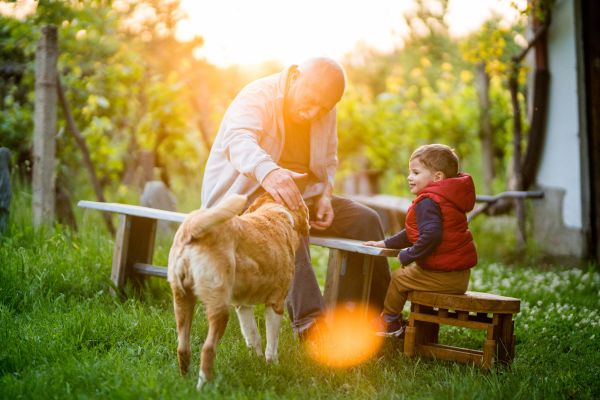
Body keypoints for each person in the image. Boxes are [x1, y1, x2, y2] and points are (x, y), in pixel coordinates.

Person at [201, 57, 391, 338]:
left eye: (323, 108)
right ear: (296, 77)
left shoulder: (325, 109)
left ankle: (381, 319)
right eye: (311, 100)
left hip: (303, 198)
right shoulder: (258, 96)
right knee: (287, 216)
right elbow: (237, 140)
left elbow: (329, 158)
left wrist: (326, 194)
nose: (314, 112)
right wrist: (270, 173)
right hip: (243, 202)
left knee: (366, 220)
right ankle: (310, 325)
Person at [364, 144, 477, 337]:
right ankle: (414, 325)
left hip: (444, 276)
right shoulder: (446, 198)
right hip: (457, 275)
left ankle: (389, 322)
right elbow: (413, 232)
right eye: (409, 172)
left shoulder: (428, 202)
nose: (409, 177)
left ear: (437, 177)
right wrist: (386, 243)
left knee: (400, 277)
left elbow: (432, 236)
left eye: (416, 172)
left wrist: (409, 254)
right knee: (412, 273)